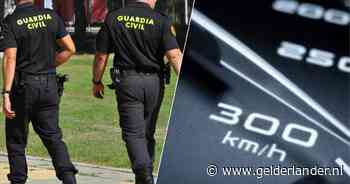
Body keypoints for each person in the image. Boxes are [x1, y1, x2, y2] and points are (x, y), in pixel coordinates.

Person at [92, 0, 182, 183]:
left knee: (133, 133)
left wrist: (97, 81)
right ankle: (144, 176)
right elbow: (174, 55)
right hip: (154, 83)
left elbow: (102, 56)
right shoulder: (161, 20)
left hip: (128, 82)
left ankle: (144, 174)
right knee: (147, 133)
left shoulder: (114, 18)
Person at [0, 0, 78, 183]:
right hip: (49, 84)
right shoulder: (51, 16)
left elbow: (10, 58)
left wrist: (6, 93)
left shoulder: (12, 21)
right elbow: (70, 48)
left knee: (16, 139)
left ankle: (18, 179)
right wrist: (50, 65)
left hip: (24, 87)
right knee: (53, 137)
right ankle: (68, 178)